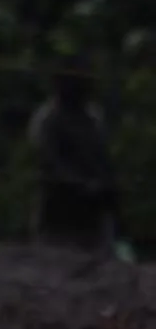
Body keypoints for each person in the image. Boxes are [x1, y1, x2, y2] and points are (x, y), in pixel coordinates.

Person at [28, 71, 123, 253]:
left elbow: (101, 155)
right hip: (59, 207)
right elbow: (50, 160)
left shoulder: (92, 116)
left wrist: (106, 184)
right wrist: (81, 183)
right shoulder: (48, 119)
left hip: (94, 210)